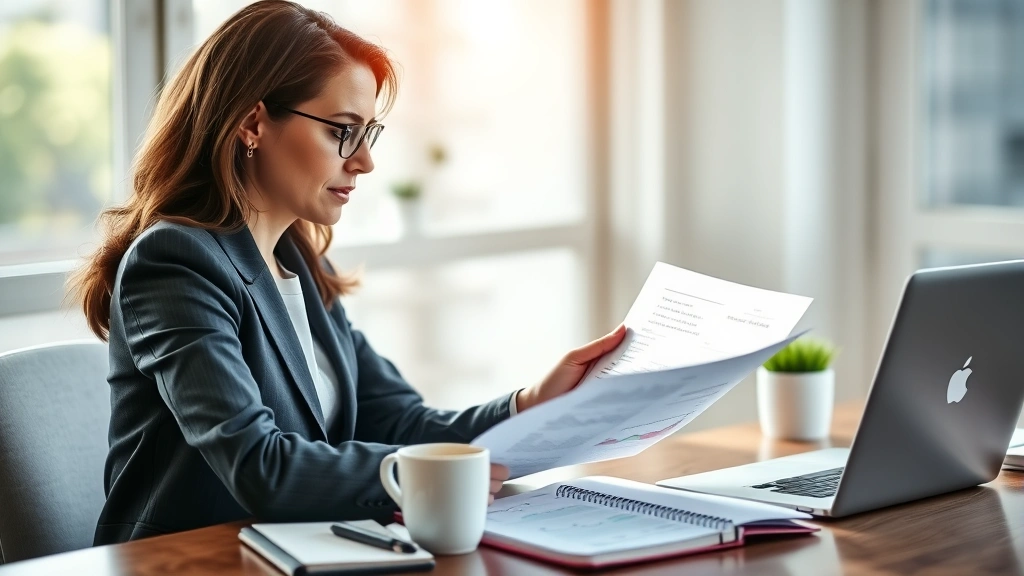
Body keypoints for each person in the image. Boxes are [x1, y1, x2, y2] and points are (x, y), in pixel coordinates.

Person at [69, 0, 625, 545]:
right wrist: (425, 475)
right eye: (342, 130)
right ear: (252, 124)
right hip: (190, 562)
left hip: (302, 551)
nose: (364, 161)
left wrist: (530, 405)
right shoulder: (175, 261)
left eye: (368, 134)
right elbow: (258, 465)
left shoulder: (303, 265)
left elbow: (402, 425)